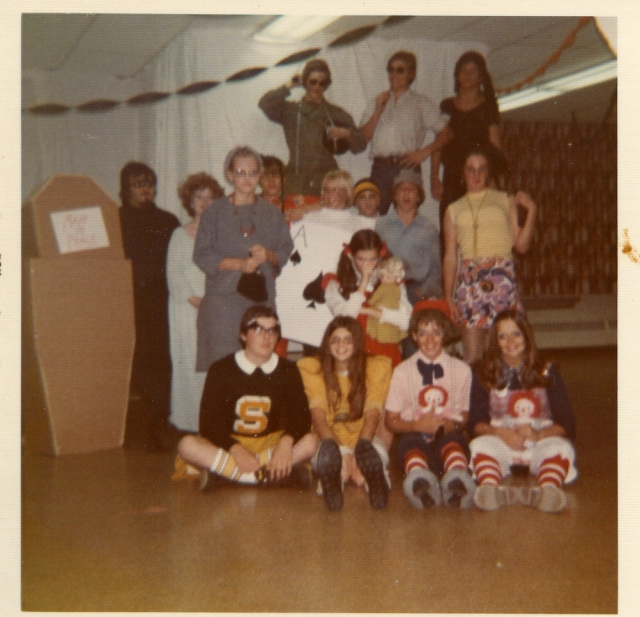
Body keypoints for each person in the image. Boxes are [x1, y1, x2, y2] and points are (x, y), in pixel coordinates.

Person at [178, 306, 318, 489]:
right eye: (258, 329)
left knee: (311, 442)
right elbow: (208, 423)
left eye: (272, 330)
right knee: (186, 445)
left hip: (269, 444)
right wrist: (235, 449)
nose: (266, 336)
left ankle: (227, 476)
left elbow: (301, 416)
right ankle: (270, 475)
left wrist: (286, 442)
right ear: (243, 335)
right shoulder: (221, 369)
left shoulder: (288, 370)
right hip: (230, 444)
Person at [193, 146, 293, 372]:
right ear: (229, 174)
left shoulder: (272, 213)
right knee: (223, 371)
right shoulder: (213, 213)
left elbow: (286, 251)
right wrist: (240, 264)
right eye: (240, 172)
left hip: (260, 303)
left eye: (252, 173)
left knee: (259, 369)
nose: (247, 179)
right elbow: (201, 254)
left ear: (259, 175)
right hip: (223, 304)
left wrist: (268, 255)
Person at [468, 310, 577, 513]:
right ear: (495, 341)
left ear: (527, 336)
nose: (510, 341)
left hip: (539, 445)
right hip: (503, 443)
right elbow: (474, 422)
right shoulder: (483, 371)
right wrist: (500, 433)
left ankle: (548, 490)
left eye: (516, 334)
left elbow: (567, 423)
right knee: (478, 446)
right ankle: (491, 489)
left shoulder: (547, 370)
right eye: (502, 336)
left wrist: (539, 434)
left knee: (563, 448)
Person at [442, 148, 537, 364]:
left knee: (512, 352)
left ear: (488, 173)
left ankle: (509, 398)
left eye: (482, 169)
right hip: (469, 282)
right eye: (470, 169)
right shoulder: (452, 209)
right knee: (473, 356)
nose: (476, 175)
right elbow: (449, 256)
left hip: (502, 279)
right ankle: (477, 398)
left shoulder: (505, 200)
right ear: (462, 173)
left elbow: (521, 246)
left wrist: (532, 211)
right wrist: (449, 296)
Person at [384, 301, 475, 509]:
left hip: (447, 439)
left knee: (455, 441)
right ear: (414, 336)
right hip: (415, 439)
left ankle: (456, 481)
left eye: (436, 332)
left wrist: (455, 424)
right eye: (423, 333)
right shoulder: (401, 372)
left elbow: (465, 413)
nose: (430, 340)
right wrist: (416, 426)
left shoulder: (462, 370)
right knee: (409, 443)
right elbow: (391, 421)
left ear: (445, 333)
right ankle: (420, 482)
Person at [297, 316, 393, 511]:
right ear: (327, 344)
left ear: (357, 343)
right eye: (335, 340)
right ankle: (333, 482)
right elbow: (318, 418)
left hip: (364, 439)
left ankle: (376, 480)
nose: (341, 345)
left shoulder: (375, 367)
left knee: (366, 467)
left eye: (348, 340)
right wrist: (341, 453)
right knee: (332, 463)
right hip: (329, 440)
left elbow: (373, 414)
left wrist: (360, 450)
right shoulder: (313, 369)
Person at [118, 161, 180, 450]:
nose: (146, 189)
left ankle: (159, 424)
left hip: (159, 304)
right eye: (138, 184)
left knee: (158, 364)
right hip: (125, 302)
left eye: (150, 183)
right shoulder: (114, 219)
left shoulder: (168, 221)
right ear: (125, 189)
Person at [259, 58, 366, 213]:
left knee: (325, 228)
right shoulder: (291, 111)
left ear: (327, 84)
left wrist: (347, 134)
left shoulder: (335, 113)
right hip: (296, 180)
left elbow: (360, 145)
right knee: (294, 226)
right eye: (313, 81)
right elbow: (265, 104)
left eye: (322, 83)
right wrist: (290, 84)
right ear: (305, 82)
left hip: (326, 183)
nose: (317, 87)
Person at [167, 172, 224, 434]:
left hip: (215, 308)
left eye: (210, 198)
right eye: (199, 197)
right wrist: (192, 299)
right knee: (191, 364)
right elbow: (173, 274)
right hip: (188, 309)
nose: (204, 202)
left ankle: (215, 421)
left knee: (216, 365)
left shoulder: (223, 235)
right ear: (189, 201)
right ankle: (191, 423)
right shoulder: (180, 234)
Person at [360, 50, 450, 215]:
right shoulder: (376, 101)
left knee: (406, 218)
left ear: (411, 74)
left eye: (400, 70)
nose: (394, 74)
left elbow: (446, 133)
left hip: (407, 168)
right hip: (380, 169)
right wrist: (377, 111)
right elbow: (363, 138)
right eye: (391, 70)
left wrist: (424, 153)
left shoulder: (420, 102)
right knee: (375, 218)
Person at [431, 51, 506, 225]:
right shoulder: (447, 105)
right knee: (450, 228)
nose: (467, 75)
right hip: (452, 177)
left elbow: (495, 145)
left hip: (479, 177)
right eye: (463, 70)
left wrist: (492, 181)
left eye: (473, 71)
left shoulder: (488, 106)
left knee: (479, 227)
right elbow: (438, 144)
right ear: (457, 76)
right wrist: (434, 178)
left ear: (481, 77)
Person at [322, 229, 411, 366]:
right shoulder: (335, 282)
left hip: (385, 353)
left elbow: (406, 321)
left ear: (380, 255)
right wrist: (363, 283)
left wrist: (370, 312)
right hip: (351, 354)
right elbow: (345, 317)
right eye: (361, 259)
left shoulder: (392, 279)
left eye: (373, 259)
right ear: (351, 255)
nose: (367, 265)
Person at [375, 169, 442, 305]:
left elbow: (436, 270)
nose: (406, 194)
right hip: (386, 288)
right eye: (401, 189)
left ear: (418, 196)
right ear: (394, 195)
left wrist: (421, 293)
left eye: (411, 190)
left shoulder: (429, 228)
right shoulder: (381, 224)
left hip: (416, 290)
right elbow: (374, 261)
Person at [288, 169, 375, 232]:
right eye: (326, 189)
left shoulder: (360, 223)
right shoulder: (309, 217)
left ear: (347, 192)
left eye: (335, 189)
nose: (329, 194)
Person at [365, 256, 407, 345]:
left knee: (379, 338)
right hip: (392, 324)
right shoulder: (398, 289)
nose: (384, 280)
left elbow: (373, 299)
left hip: (381, 321)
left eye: (388, 277)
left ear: (396, 278)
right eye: (382, 277)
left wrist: (368, 302)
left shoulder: (384, 287)